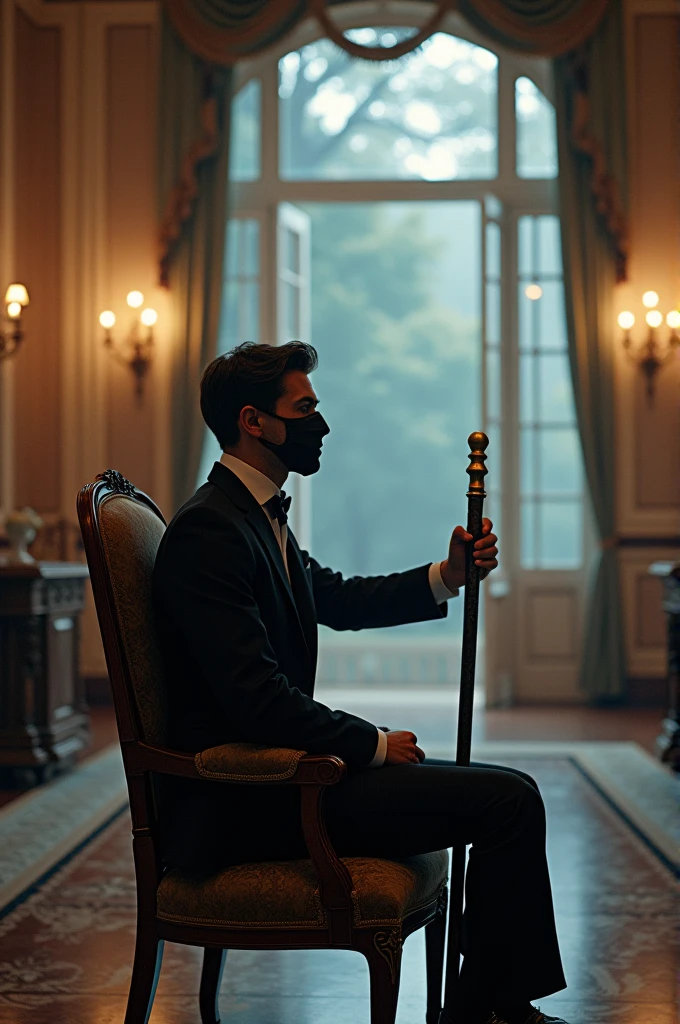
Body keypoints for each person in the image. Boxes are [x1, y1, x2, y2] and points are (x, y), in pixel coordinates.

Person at [153, 341, 569, 1024]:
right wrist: (370, 744)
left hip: (287, 775)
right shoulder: (213, 531)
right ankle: (490, 1010)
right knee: (508, 803)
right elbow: (255, 700)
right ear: (254, 421)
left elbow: (337, 600)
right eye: (306, 408)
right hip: (255, 796)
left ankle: (488, 1002)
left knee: (513, 792)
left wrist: (448, 575)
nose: (321, 423)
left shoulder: (250, 515)